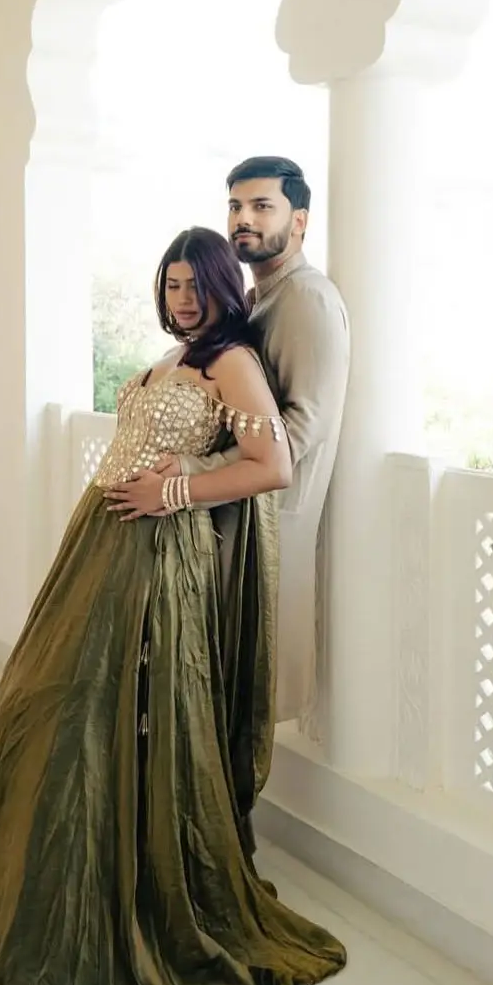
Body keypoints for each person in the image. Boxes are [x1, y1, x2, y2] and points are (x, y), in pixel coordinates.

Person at [0, 226, 346, 985]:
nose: (184, 297)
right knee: (51, 699)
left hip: (154, 549)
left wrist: (179, 491)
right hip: (101, 541)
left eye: (197, 284)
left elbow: (274, 464)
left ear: (227, 288)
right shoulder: (174, 357)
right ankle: (53, 882)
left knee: (106, 707)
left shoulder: (231, 362)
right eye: (173, 283)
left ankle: (126, 896)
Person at [164, 157, 350, 750]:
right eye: (236, 207)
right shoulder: (258, 297)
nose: (243, 219)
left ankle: (224, 841)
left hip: (265, 531)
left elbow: (300, 431)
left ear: (299, 221)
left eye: (261, 206)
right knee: (206, 695)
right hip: (228, 520)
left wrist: (187, 475)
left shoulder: (306, 300)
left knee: (240, 703)